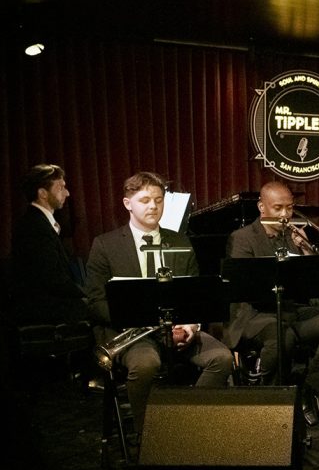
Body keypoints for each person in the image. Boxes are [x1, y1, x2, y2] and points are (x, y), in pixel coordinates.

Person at [85, 171, 233, 434]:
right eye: (144, 200)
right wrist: (135, 317)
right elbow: (96, 302)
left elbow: (194, 294)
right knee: (146, 365)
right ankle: (150, 438)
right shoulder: (105, 245)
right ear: (127, 204)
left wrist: (190, 326)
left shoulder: (179, 241)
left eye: (158, 199)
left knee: (221, 358)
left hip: (175, 329)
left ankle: (190, 426)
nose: (153, 206)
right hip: (131, 333)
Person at [223, 181, 319, 426]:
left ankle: (309, 388)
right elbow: (245, 287)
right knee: (282, 338)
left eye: (289, 208)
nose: (285, 215)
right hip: (256, 313)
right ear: (262, 207)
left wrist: (305, 252)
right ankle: (272, 401)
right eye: (278, 208)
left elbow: (317, 285)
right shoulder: (242, 238)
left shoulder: (294, 236)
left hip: (293, 310)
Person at [10, 164, 88, 325]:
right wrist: (86, 295)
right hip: (44, 311)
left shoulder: (38, 223)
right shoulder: (34, 227)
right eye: (60, 188)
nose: (67, 193)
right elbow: (51, 278)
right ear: (43, 194)